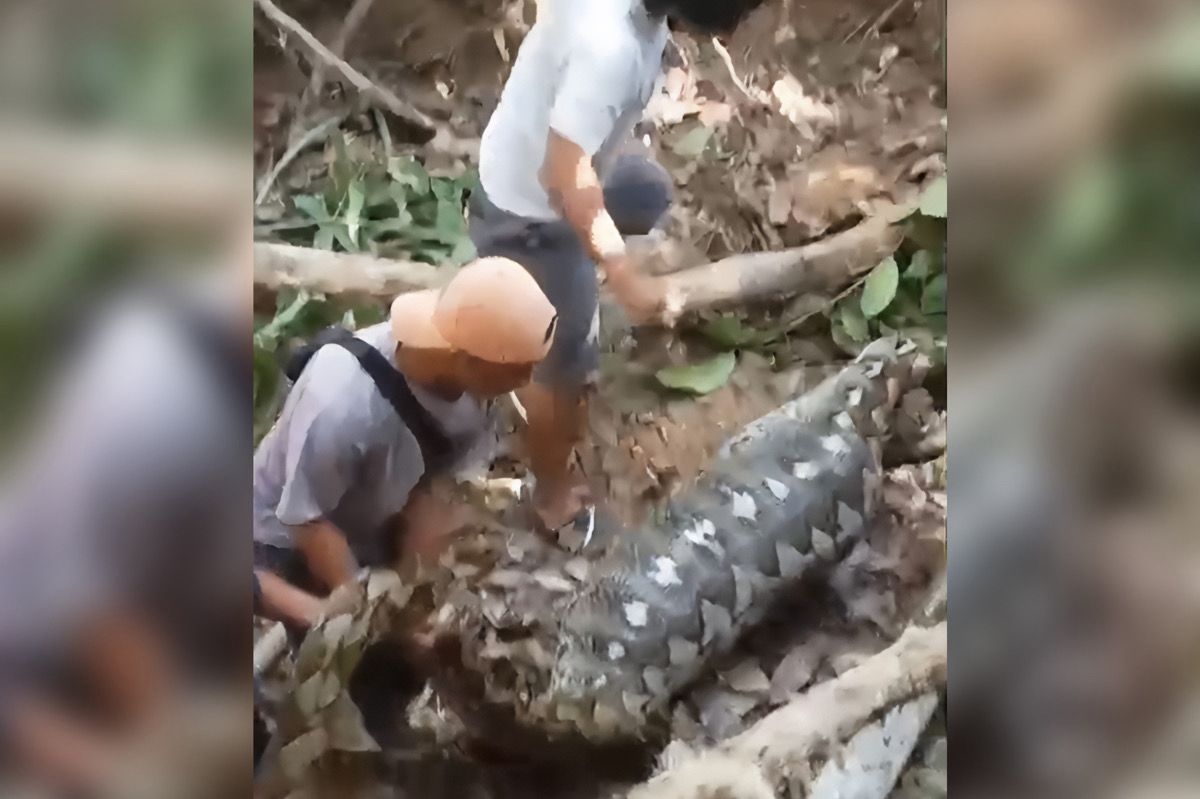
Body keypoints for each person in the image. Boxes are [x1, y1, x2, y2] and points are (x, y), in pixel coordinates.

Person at [470, 0, 764, 530]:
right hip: (529, 212)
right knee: (563, 366)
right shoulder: (611, 52)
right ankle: (552, 493)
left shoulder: (628, 28)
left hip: (522, 161)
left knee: (647, 191)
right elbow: (563, 174)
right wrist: (623, 275)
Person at [252, 257, 558, 616]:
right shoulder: (341, 402)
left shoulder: (475, 387)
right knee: (335, 638)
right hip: (289, 535)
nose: (526, 382)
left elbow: (440, 483)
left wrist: (421, 567)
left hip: (373, 515)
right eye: (518, 371)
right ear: (467, 359)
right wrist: (358, 605)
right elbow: (304, 517)